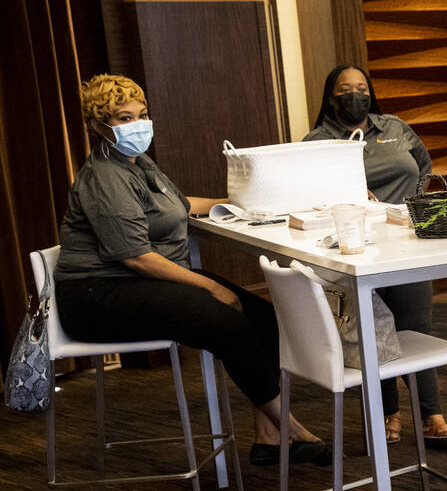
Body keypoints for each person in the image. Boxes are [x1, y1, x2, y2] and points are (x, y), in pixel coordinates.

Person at [54, 74, 327, 467]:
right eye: (122, 118)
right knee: (231, 326)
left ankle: (268, 437)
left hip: (137, 281)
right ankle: (292, 429)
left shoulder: (138, 162)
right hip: (99, 294)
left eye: (142, 114)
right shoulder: (104, 177)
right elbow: (136, 257)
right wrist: (211, 288)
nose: (138, 125)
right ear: (97, 126)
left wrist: (243, 202)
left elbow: (180, 204)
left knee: (264, 316)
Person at [304, 64, 447, 450]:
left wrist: (405, 204)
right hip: (354, 249)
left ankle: (433, 415)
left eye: (362, 87)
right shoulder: (317, 142)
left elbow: (422, 167)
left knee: (416, 328)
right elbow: (310, 196)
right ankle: (388, 411)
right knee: (375, 334)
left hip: (407, 244)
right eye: (345, 88)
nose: (355, 94)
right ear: (331, 96)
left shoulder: (394, 126)